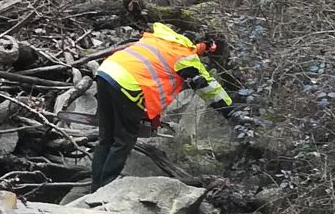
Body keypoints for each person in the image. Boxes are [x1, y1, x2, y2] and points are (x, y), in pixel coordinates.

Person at [90, 22, 237, 191]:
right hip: (127, 84)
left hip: (106, 71)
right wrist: (231, 112)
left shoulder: (162, 40)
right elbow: (209, 88)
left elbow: (187, 51)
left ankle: (95, 187)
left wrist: (203, 48)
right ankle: (104, 189)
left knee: (106, 137)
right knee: (123, 140)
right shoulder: (186, 57)